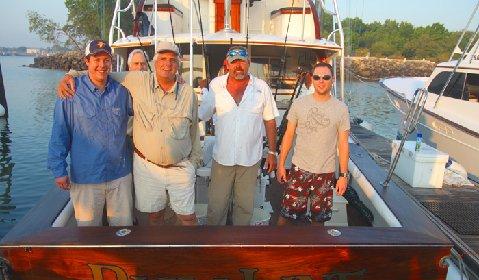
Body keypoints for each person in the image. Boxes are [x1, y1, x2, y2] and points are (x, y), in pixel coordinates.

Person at [58, 41, 202, 226]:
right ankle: (155, 254)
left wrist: (194, 163)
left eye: (172, 60)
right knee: (154, 216)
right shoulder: (137, 80)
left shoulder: (188, 93)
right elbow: (101, 72)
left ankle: (190, 253)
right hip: (146, 167)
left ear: (178, 65)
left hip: (178, 168)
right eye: (163, 59)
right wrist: (70, 75)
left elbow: (194, 130)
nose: (167, 64)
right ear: (155, 63)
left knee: (188, 218)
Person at [48, 40, 133, 227]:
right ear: (86, 61)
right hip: (86, 177)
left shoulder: (122, 92)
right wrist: (58, 170)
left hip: (120, 175)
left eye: (106, 60)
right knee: (88, 233)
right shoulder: (71, 92)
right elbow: (60, 133)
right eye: (96, 59)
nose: (101, 65)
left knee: (123, 231)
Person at [199, 46, 279, 226]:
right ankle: (215, 245)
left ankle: (239, 246)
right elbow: (202, 115)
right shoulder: (215, 85)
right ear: (226, 64)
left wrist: (272, 152)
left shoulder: (261, 87)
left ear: (249, 64)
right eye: (234, 62)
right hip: (222, 158)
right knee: (216, 207)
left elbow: (270, 121)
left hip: (250, 159)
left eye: (242, 62)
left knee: (244, 208)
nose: (238, 66)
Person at [276, 61, 350, 226]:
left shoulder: (341, 109)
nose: (321, 81)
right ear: (312, 79)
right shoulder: (299, 104)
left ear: (333, 79)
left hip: (326, 173)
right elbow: (288, 136)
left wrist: (343, 176)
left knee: (319, 220)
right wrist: (281, 164)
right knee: (286, 215)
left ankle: (315, 250)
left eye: (326, 77)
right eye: (317, 77)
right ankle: (278, 246)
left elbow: (343, 144)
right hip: (299, 169)